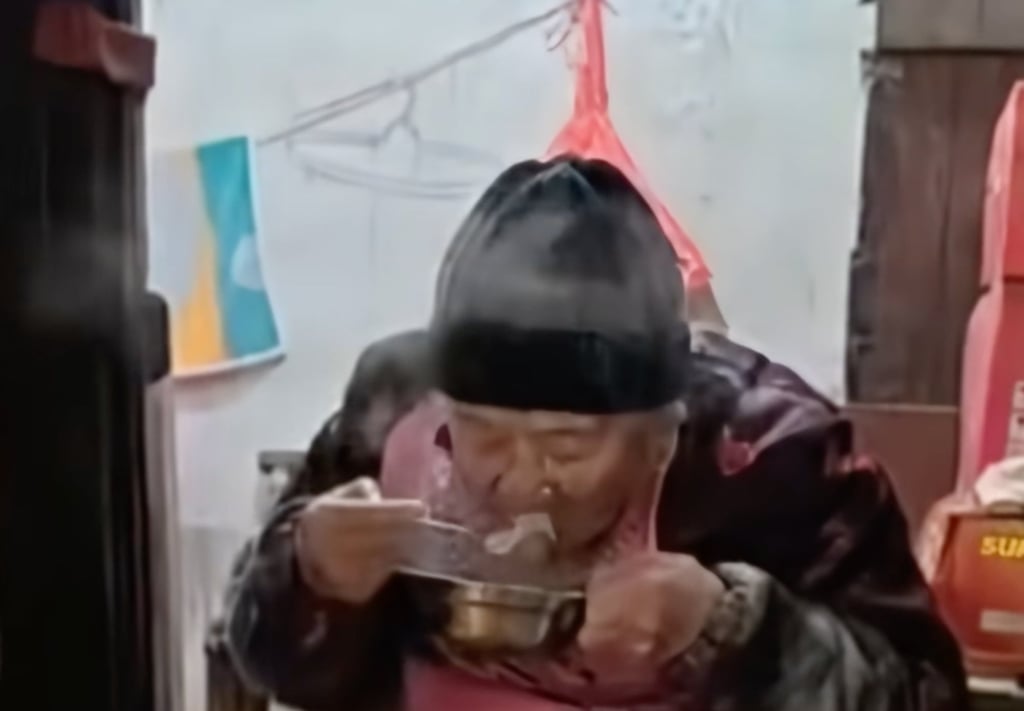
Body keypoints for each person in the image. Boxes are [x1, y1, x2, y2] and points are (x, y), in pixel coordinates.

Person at [224, 156, 967, 710]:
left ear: (657, 430)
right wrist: (308, 576)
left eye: (565, 444)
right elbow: (269, 658)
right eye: (481, 432)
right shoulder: (393, 421)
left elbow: (929, 694)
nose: (514, 480)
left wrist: (734, 631)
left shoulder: (771, 462)